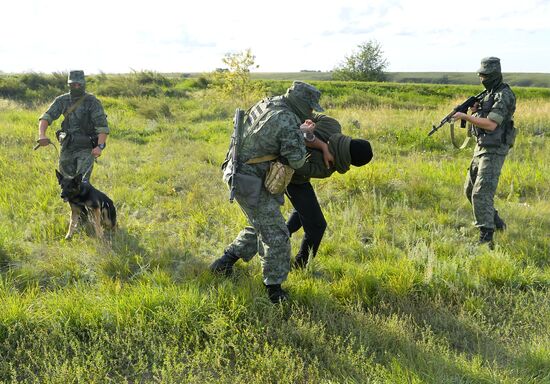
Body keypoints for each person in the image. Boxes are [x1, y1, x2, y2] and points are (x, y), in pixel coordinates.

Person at [210, 81, 326, 303]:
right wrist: (303, 135)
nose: (311, 112)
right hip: (250, 181)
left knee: (262, 224)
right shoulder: (288, 120)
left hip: (239, 174)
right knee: (277, 235)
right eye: (310, 108)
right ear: (302, 103)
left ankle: (224, 263)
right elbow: (297, 159)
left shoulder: (268, 103)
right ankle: (274, 290)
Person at [286, 114, 373, 268]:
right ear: (351, 162)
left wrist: (306, 126)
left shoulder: (333, 124)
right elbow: (297, 167)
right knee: (317, 225)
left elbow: (308, 113)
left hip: (285, 166)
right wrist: (310, 138)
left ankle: (283, 235)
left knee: (305, 214)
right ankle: (299, 266)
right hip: (288, 178)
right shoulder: (327, 166)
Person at [452, 57, 517, 248]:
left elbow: (491, 124)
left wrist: (465, 116)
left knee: (481, 193)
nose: (482, 78)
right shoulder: (487, 94)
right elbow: (482, 120)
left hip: (495, 149)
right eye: (480, 75)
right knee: (470, 190)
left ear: (495, 75)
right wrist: (474, 112)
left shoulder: (504, 95)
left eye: (486, 75)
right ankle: (497, 222)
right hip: (481, 147)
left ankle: (486, 236)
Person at [37, 70, 109, 182]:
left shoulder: (92, 102)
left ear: (84, 84)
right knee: (65, 182)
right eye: (73, 84)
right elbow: (46, 117)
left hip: (86, 148)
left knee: (82, 183)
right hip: (67, 146)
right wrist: (42, 135)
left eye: (79, 84)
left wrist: (99, 147)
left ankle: (84, 199)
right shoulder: (62, 100)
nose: (76, 86)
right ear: (69, 84)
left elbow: (102, 127)